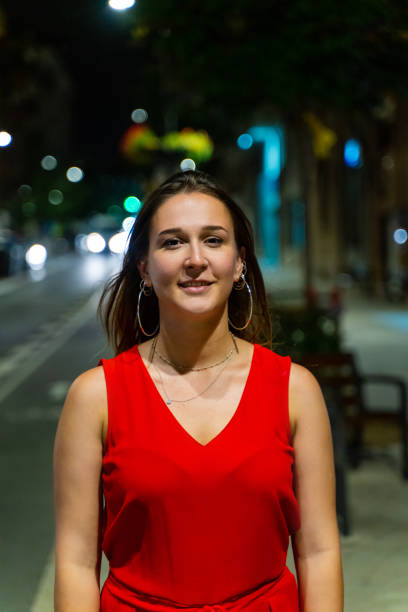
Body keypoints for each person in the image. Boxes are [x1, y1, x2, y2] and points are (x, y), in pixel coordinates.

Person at [53, 170, 343, 611]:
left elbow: (319, 552)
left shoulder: (294, 390)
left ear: (239, 261)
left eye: (213, 239)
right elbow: (75, 561)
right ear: (144, 268)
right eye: (172, 242)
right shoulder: (96, 396)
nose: (195, 259)